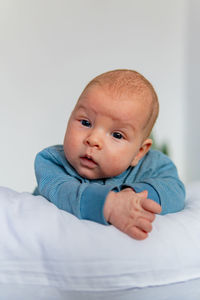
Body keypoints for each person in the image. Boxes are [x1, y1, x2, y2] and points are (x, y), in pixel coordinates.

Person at [34, 69, 185, 240]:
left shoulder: (154, 165)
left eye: (117, 135)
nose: (93, 140)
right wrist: (109, 205)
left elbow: (175, 191)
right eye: (85, 122)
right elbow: (63, 192)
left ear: (139, 152)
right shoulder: (51, 161)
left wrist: (134, 197)